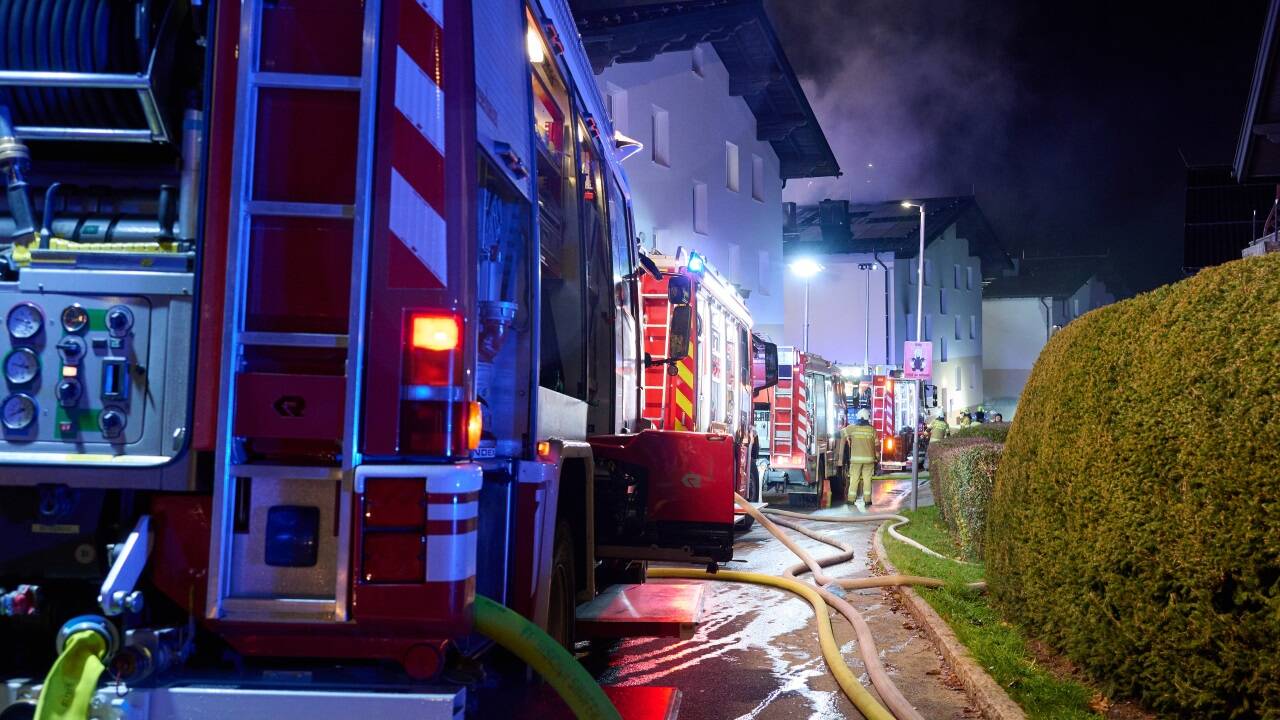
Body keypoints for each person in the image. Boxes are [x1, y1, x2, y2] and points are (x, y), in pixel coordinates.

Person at [839, 409, 878, 507]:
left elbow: (840, 434)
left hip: (856, 460)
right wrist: (876, 458)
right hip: (869, 460)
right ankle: (867, 500)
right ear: (867, 418)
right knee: (867, 479)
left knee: (854, 479)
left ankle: (851, 500)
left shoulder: (852, 428)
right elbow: (877, 445)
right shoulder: (872, 430)